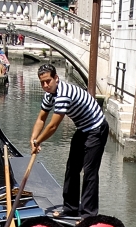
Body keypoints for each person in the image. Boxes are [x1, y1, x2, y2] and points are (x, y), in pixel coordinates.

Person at [30, 64, 109, 217]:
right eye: (42, 82)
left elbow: (53, 126)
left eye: (48, 81)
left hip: (97, 128)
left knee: (89, 172)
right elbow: (41, 119)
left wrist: (39, 141)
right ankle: (71, 208)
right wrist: (33, 139)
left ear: (56, 78)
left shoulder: (63, 95)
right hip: (83, 129)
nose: (45, 85)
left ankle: (88, 215)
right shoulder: (49, 95)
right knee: (72, 168)